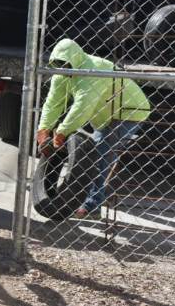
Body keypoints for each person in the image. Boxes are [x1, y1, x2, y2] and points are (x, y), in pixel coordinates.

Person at [36, 39, 151, 218]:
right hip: (106, 114)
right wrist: (44, 130)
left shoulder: (94, 68)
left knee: (101, 156)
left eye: (66, 64)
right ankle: (85, 201)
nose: (63, 68)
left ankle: (91, 205)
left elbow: (83, 106)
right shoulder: (61, 74)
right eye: (59, 64)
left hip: (129, 112)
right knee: (94, 154)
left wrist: (61, 132)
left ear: (75, 59)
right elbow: (53, 104)